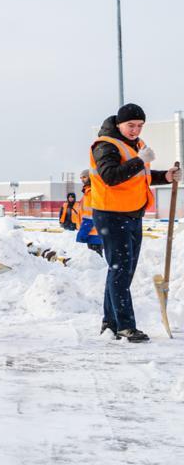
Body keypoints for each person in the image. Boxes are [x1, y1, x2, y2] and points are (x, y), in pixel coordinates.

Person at [89, 103, 181, 342]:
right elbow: (111, 176)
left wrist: (165, 176)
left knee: (122, 270)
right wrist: (140, 160)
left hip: (132, 214)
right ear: (119, 124)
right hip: (111, 214)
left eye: (140, 126)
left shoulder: (137, 145)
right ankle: (125, 326)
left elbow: (140, 178)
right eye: (131, 125)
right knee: (120, 270)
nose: (136, 130)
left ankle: (110, 323)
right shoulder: (105, 145)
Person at [74, 170, 102, 257]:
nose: (82, 180)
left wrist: (83, 232)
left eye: (84, 177)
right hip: (93, 232)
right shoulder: (89, 192)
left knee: (95, 259)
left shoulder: (91, 193)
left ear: (90, 177)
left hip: (93, 232)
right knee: (96, 259)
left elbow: (90, 216)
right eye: (81, 178)